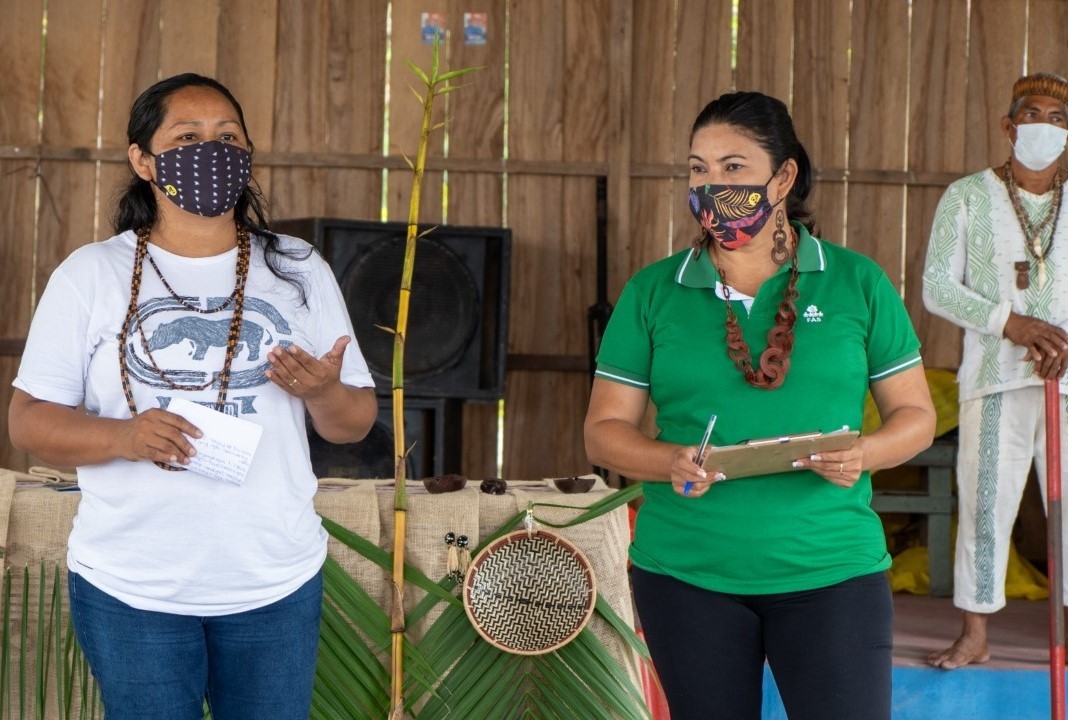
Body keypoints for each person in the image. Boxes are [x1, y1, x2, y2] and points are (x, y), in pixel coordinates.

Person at [7, 73, 378, 719]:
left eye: (227, 136)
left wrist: (323, 392)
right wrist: (122, 436)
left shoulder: (297, 267)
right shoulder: (90, 274)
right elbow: (29, 424)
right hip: (132, 586)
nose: (212, 149)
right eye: (187, 136)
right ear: (143, 159)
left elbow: (352, 424)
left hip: (275, 581)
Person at [584, 91, 936, 719]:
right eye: (698, 169)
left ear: (784, 176)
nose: (711, 184)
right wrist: (668, 459)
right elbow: (605, 432)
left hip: (832, 571)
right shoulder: (653, 292)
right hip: (686, 575)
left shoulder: (857, 282)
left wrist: (864, 453)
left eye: (733, 167)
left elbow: (916, 417)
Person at [923, 72, 1068, 670]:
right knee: (986, 504)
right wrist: (1012, 324)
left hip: (1067, 384)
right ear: (1010, 127)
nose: (1045, 128)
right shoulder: (965, 196)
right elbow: (936, 287)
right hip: (994, 378)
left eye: (1059, 121)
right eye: (1033, 116)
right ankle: (975, 633)